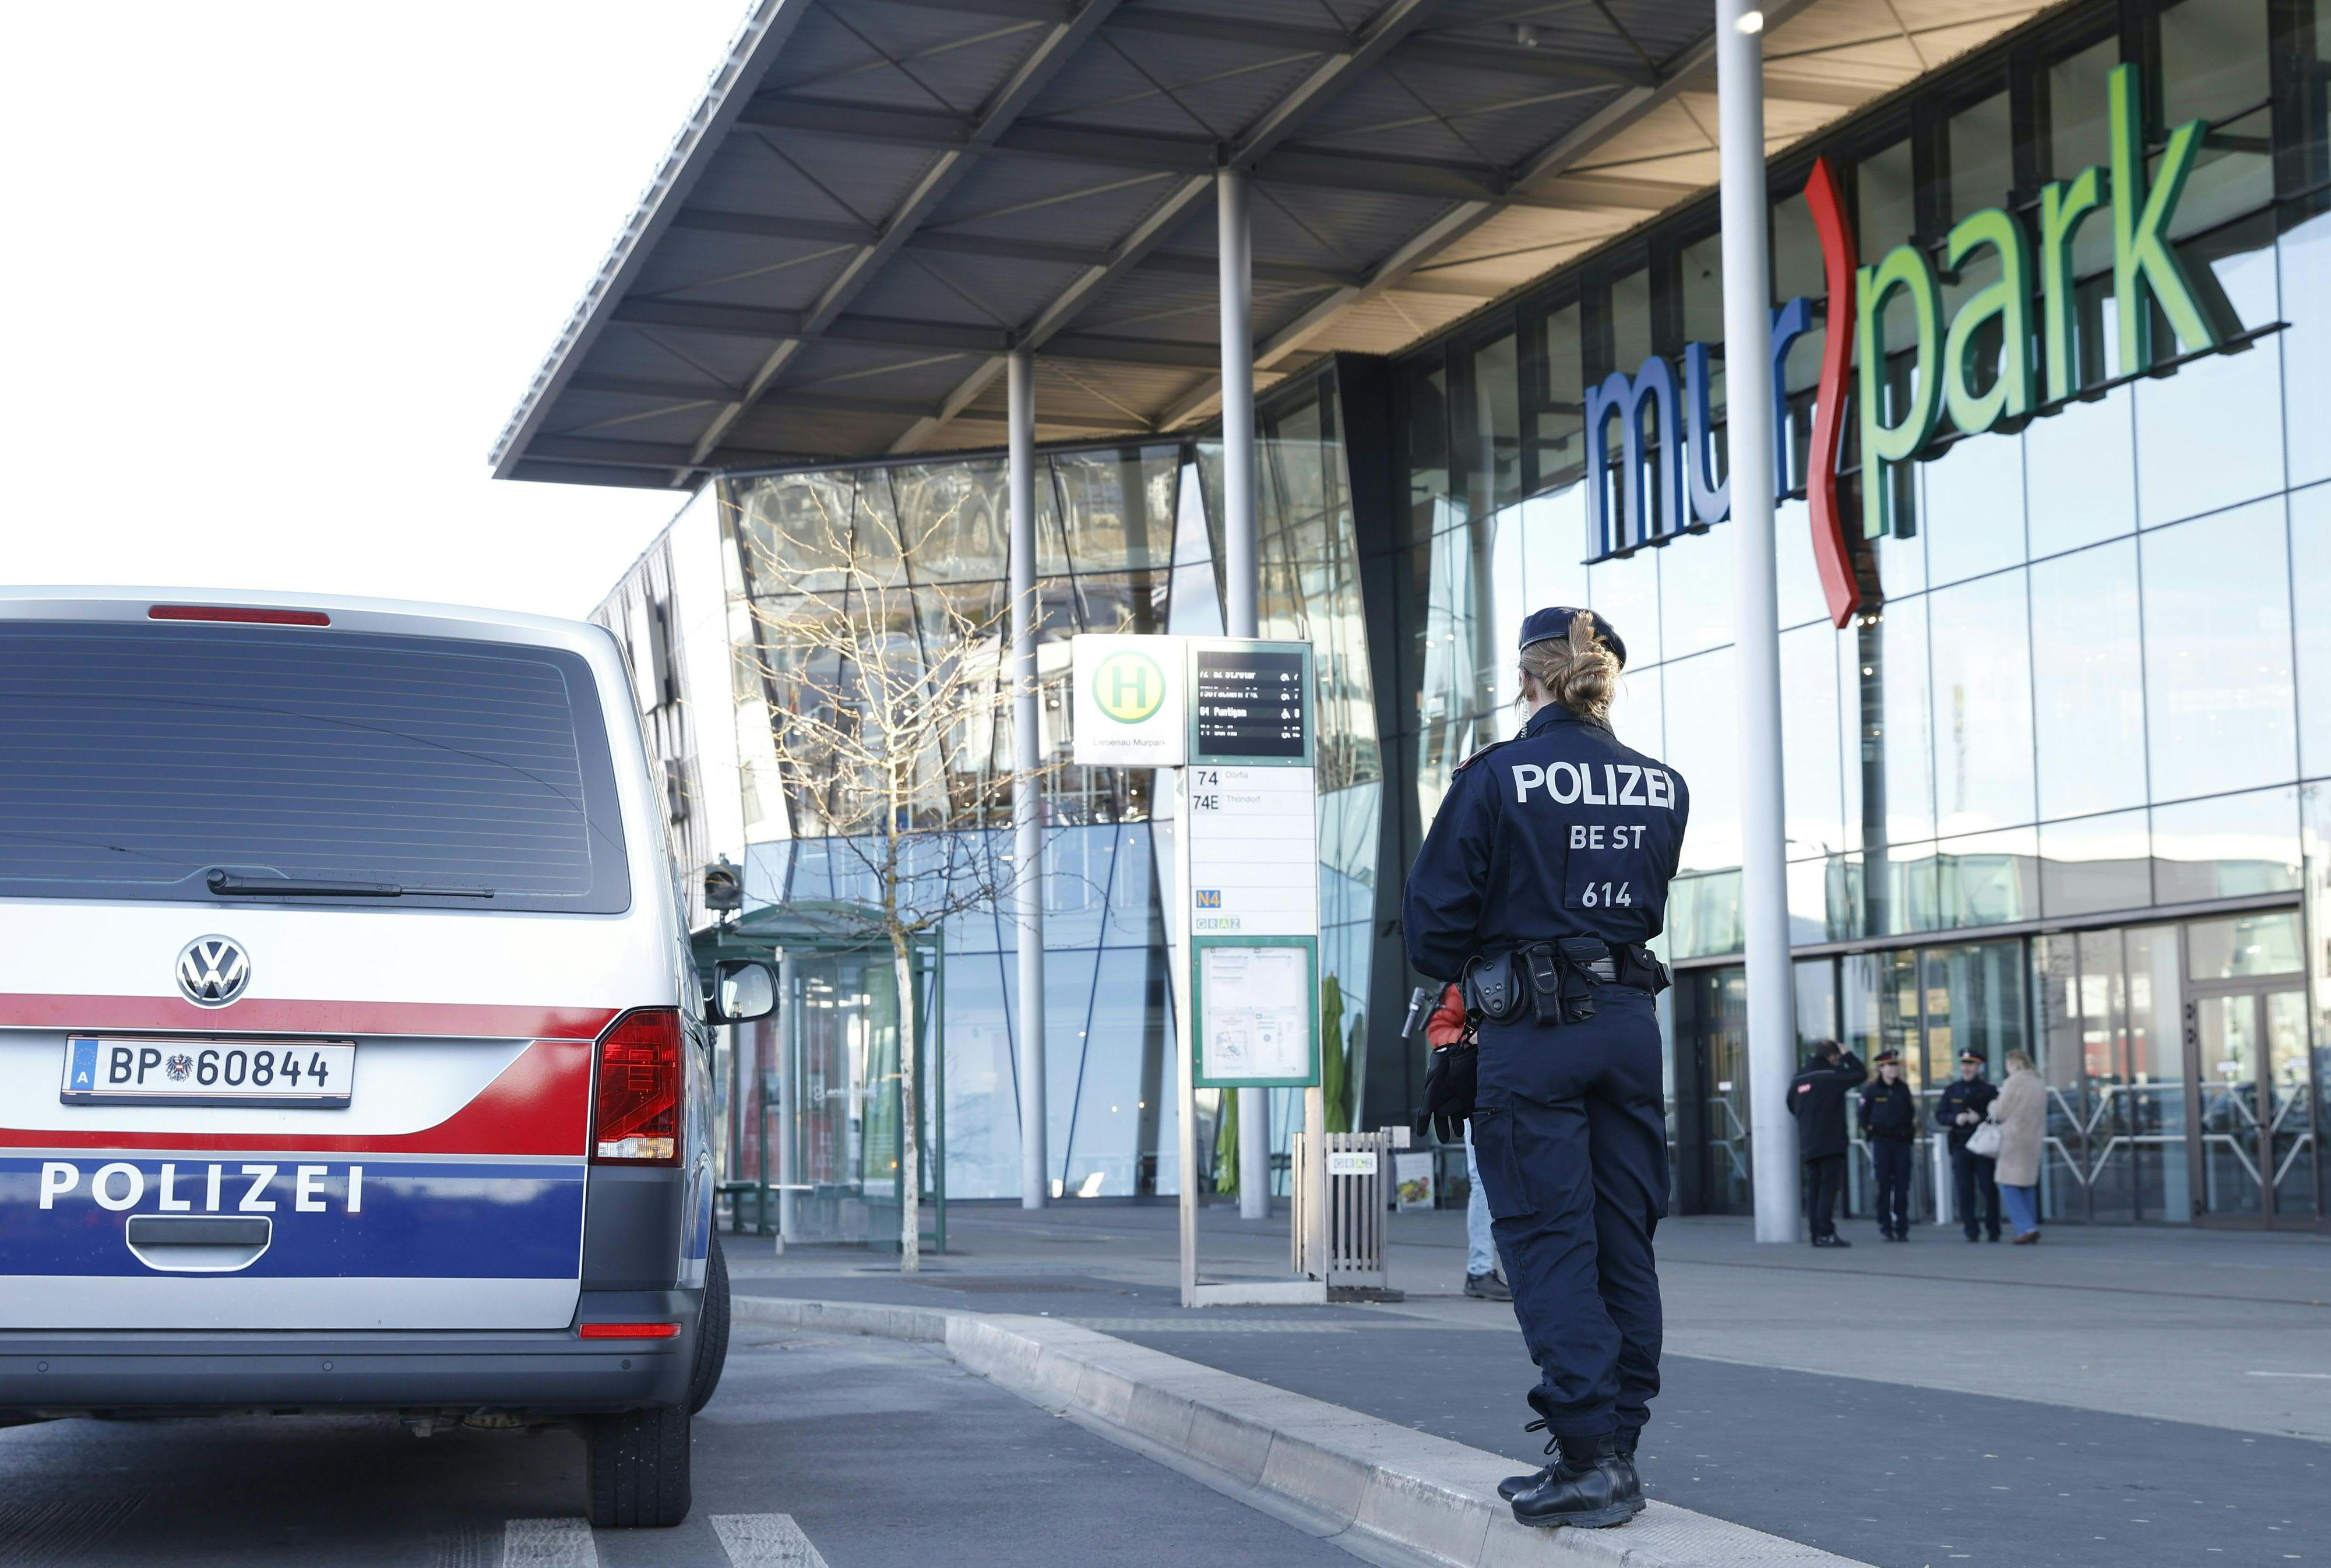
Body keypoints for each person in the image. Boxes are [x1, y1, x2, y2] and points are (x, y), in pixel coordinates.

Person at [1404, 605, 1686, 1532]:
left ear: (1527, 678)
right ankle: (1624, 1448)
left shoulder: (1496, 776)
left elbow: (1432, 929)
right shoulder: (1661, 783)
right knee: (1620, 1241)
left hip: (1533, 1030)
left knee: (1545, 1239)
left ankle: (1587, 1458)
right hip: (1627, 1024)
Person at [1425, 982, 1510, 1301]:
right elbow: (1437, 1029)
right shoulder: (1467, 981)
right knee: (1484, 1180)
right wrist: (1472, 1039)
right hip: (1483, 1093)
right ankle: (1480, 1270)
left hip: (1523, 1090)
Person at [1787, 1040, 1865, 1248]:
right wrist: (1848, 1055)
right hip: (1831, 1141)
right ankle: (1826, 1233)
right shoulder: (1831, 1076)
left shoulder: (1800, 1077)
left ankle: (1816, 1233)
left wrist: (1807, 1121)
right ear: (1832, 1056)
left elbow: (1790, 1103)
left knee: (1815, 1187)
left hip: (1809, 1141)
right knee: (1828, 1188)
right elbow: (1860, 1074)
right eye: (1837, 1058)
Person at [1935, 1049, 2001, 1242]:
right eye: (1964, 1064)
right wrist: (1956, 1118)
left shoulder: (1989, 1090)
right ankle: (1971, 1230)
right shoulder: (1952, 1090)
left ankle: (1993, 1228)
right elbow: (1940, 1115)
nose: (1967, 1068)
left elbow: (1999, 1115)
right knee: (1964, 1189)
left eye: (1971, 1064)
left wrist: (1979, 1118)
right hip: (1960, 1145)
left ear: (1979, 1067)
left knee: (1988, 1188)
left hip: (1983, 1145)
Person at [1858, 1051, 1916, 1242]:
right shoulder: (1872, 1090)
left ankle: (1901, 1225)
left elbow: (1910, 1113)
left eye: (1895, 1065)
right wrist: (1872, 1130)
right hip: (1882, 1143)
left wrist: (1909, 1132)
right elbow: (1862, 1116)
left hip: (1901, 1143)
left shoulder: (1903, 1089)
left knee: (1902, 1186)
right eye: (1889, 1065)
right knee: (1884, 1185)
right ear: (1881, 1069)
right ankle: (1885, 1224)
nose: (1894, 1069)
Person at [1990, 1049, 2047, 1243]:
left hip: (2013, 1138)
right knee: (2026, 1183)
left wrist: (1992, 1105)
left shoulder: (2015, 1082)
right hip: (2033, 1138)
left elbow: (2001, 1110)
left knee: (2006, 1183)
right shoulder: (2038, 1083)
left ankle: (2026, 1227)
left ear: (2013, 1064)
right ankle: (2029, 1226)